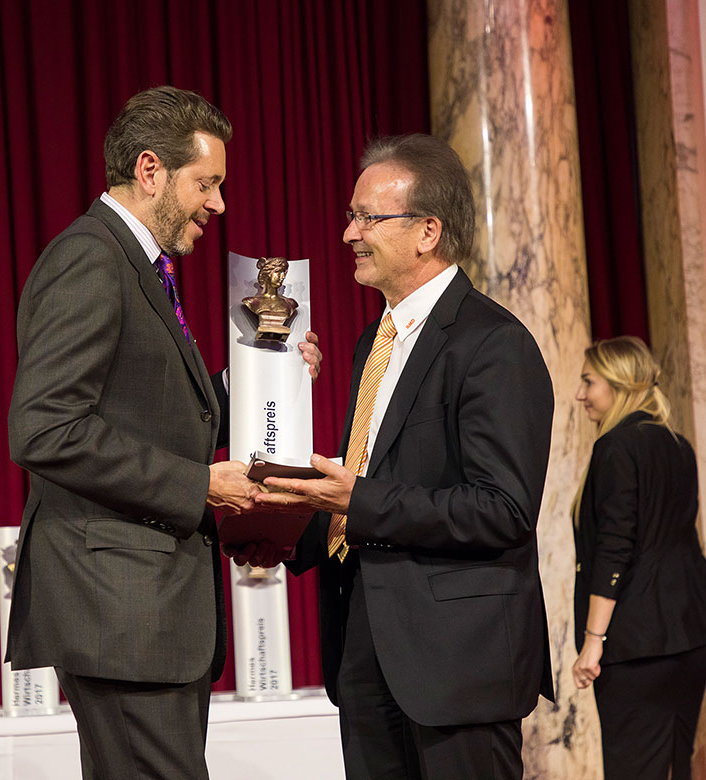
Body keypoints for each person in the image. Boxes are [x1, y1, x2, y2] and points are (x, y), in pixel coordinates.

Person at [6, 86, 320, 780]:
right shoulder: (92, 258)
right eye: (206, 184)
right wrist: (198, 484)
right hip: (117, 608)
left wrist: (262, 382)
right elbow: (45, 427)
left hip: (147, 613)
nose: (219, 204)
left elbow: (155, 410)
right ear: (151, 170)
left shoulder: (140, 265)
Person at [235, 133, 555, 779]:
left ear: (427, 231)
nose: (349, 232)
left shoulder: (493, 344)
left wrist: (357, 499)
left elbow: (503, 509)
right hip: (365, 648)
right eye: (351, 216)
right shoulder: (370, 343)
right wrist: (287, 533)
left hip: (457, 666)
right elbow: (376, 486)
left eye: (367, 217)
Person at [570, 336, 706, 780]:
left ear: (619, 384)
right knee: (678, 767)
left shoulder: (616, 447)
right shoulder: (677, 444)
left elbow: (616, 547)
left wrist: (592, 639)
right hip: (689, 633)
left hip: (636, 645)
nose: (580, 394)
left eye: (588, 382)